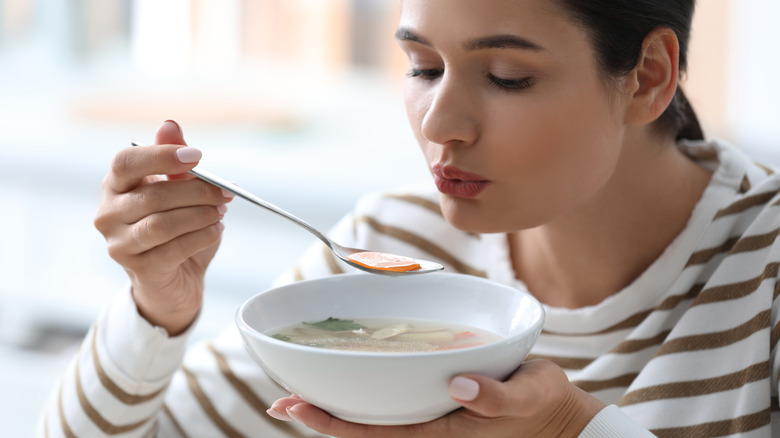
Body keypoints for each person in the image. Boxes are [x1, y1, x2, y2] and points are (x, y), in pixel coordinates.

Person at [37, 0, 780, 436]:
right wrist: (157, 307)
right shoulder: (391, 248)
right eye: (423, 68)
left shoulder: (764, 270)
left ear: (648, 77)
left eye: (507, 77)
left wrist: (569, 427)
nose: (442, 124)